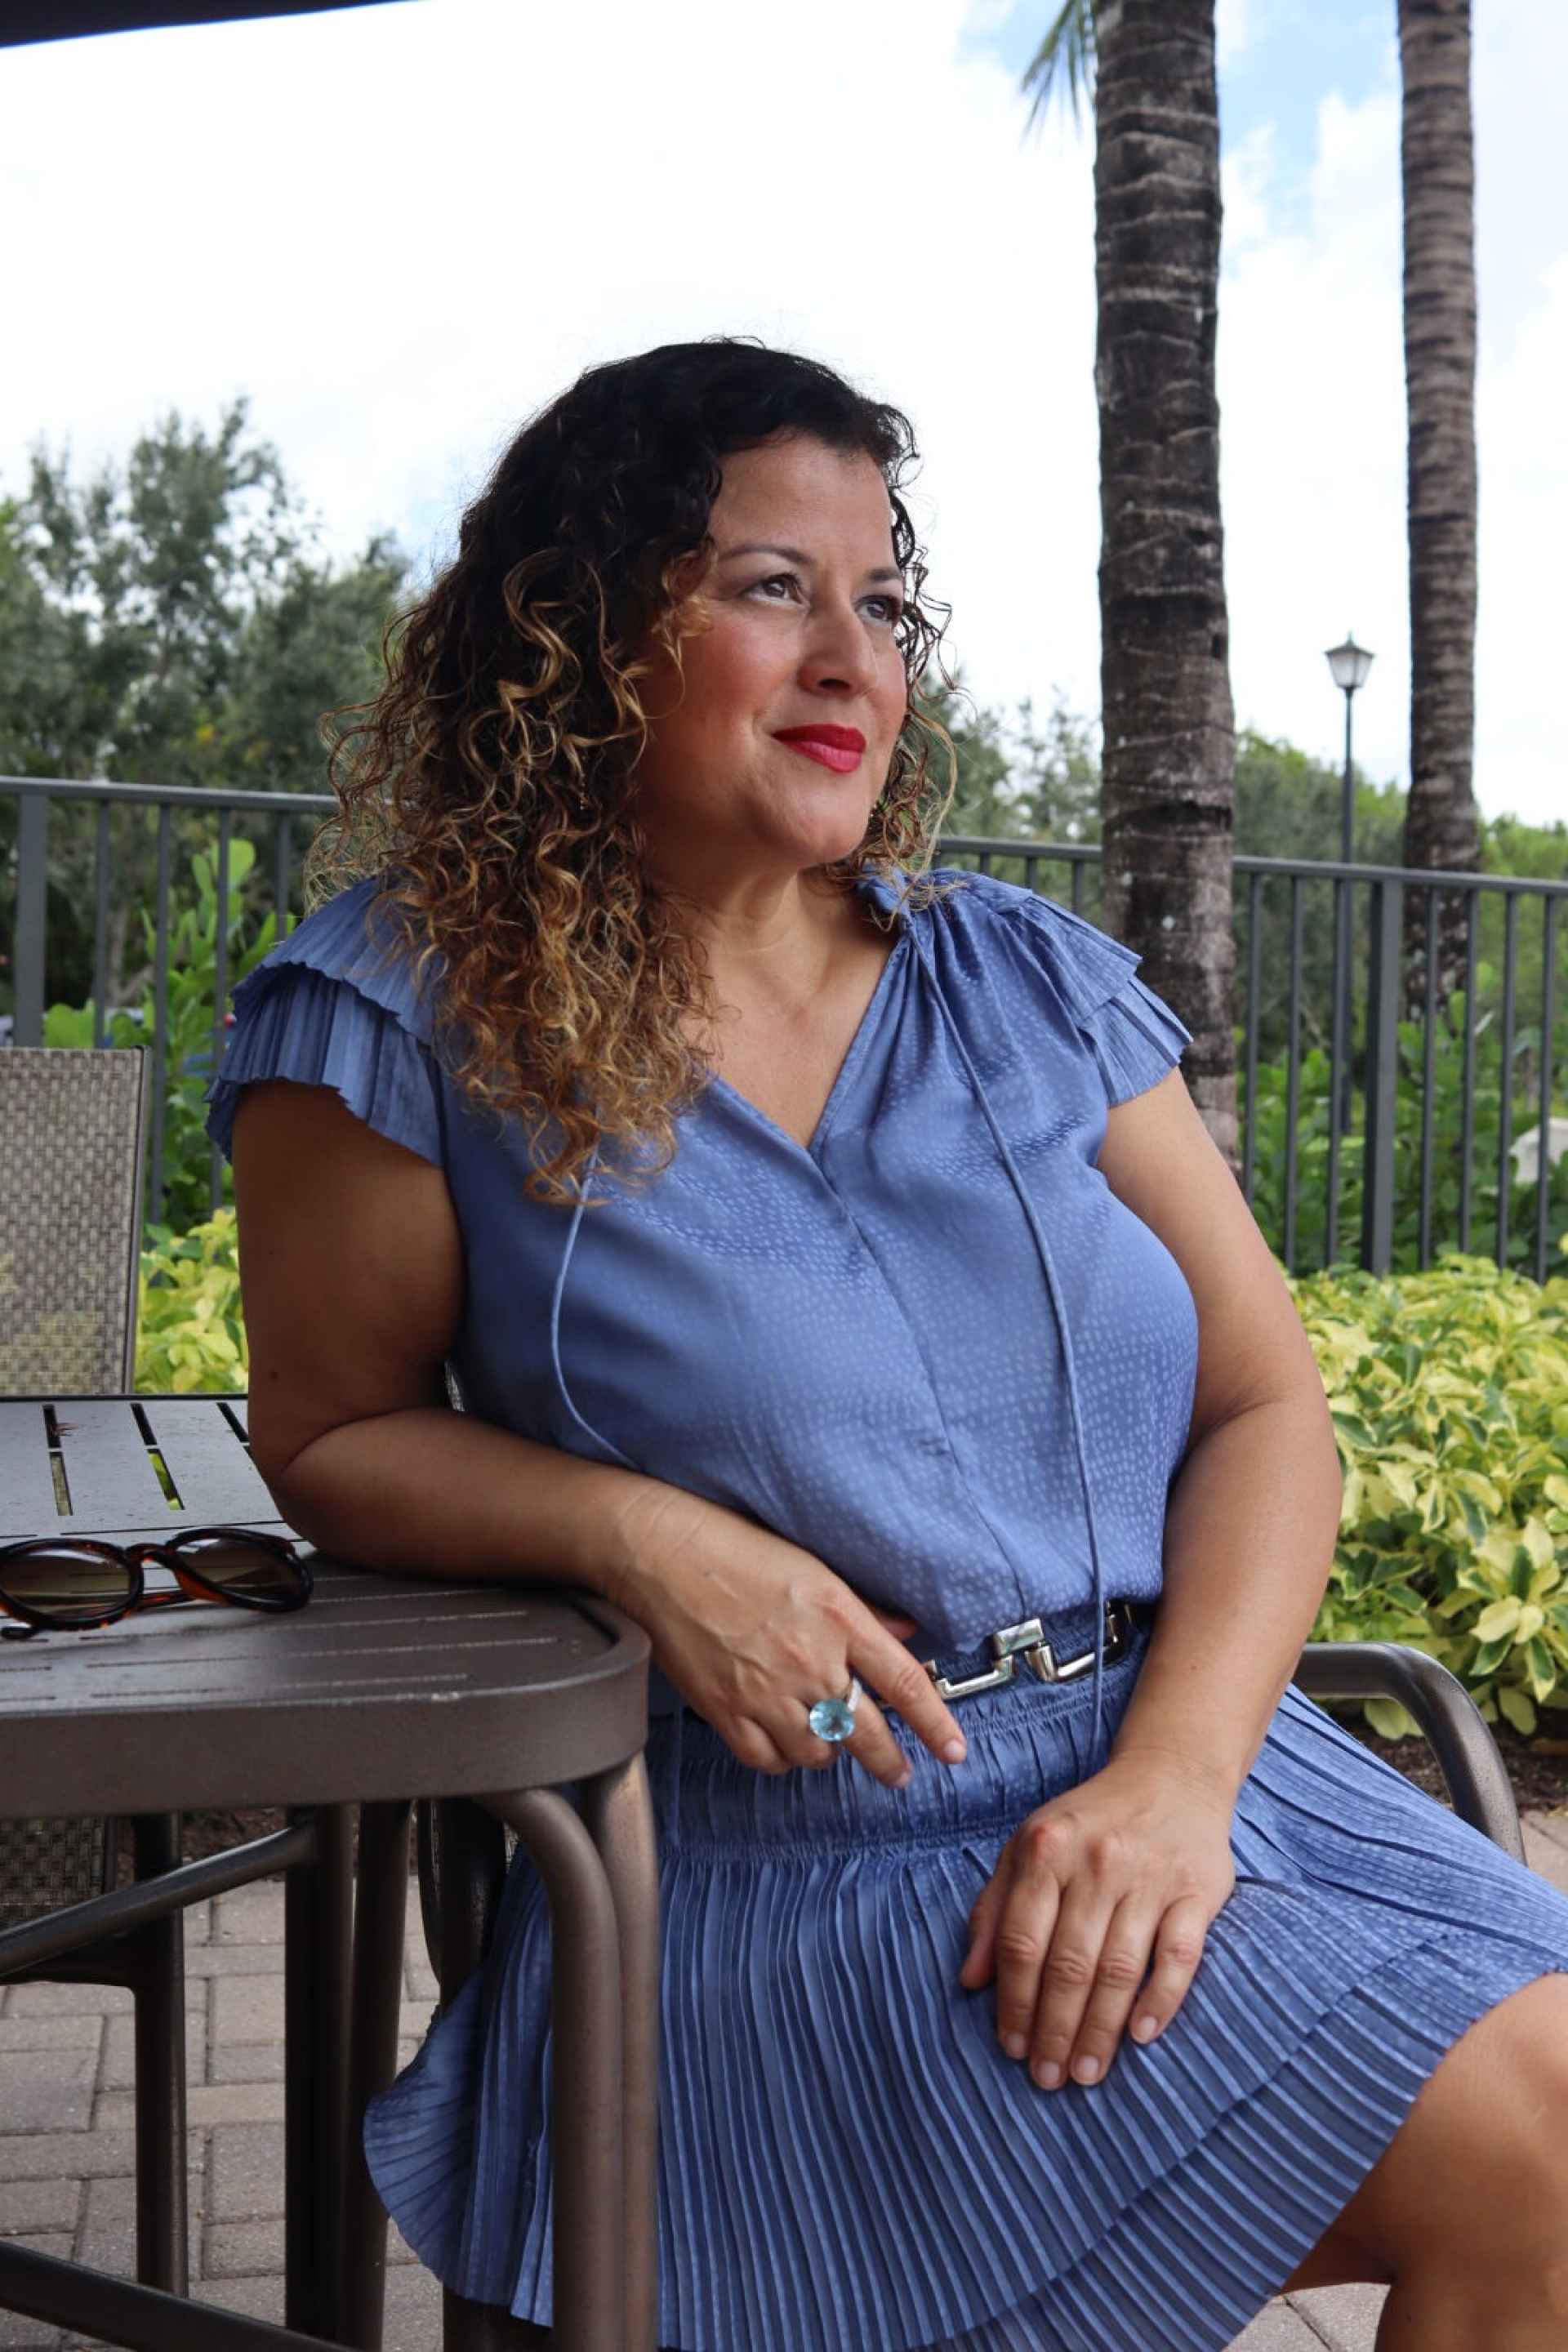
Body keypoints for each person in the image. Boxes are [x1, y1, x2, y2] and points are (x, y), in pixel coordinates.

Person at [207, 337, 1568, 2352]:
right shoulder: (406, 1012)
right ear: (579, 635)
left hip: (1185, 1778)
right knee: (1537, 2159)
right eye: (772, 587)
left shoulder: (1022, 981)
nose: (853, 655)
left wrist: (1179, 1781)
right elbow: (325, 1437)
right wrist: (639, 1535)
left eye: (884, 600)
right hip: (795, 1870)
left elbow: (1270, 1404)